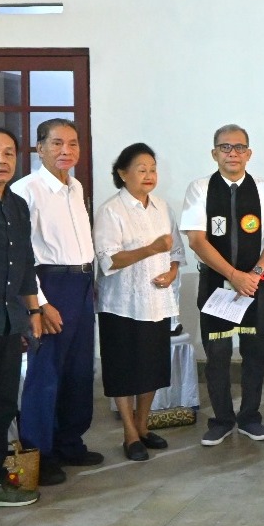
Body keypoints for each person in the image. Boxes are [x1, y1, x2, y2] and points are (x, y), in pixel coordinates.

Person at [11, 117, 103, 485]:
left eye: (73, 144)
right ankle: (39, 452)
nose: (67, 151)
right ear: (39, 148)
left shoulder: (75, 186)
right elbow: (22, 256)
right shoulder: (26, 190)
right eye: (57, 144)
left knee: (79, 369)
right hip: (50, 284)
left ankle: (69, 441)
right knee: (45, 372)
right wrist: (42, 303)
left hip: (80, 282)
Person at [181, 124, 264, 446]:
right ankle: (222, 419)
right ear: (214, 153)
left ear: (249, 154)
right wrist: (232, 275)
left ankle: (250, 417)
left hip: (254, 284)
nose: (233, 154)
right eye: (225, 148)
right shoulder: (199, 189)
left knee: (256, 353)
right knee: (218, 352)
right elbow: (197, 240)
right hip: (216, 284)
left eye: (239, 147)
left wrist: (253, 273)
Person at [93, 143, 184, 461]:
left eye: (152, 169)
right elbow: (109, 260)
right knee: (123, 369)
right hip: (121, 304)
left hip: (156, 303)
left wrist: (172, 272)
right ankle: (129, 433)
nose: (149, 175)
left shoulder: (162, 207)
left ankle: (144, 426)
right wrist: (151, 248)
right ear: (122, 173)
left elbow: (175, 252)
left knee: (152, 368)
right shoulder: (111, 210)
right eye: (141, 169)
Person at [0, 127, 41, 509]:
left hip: (5, 323)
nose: (1, 160)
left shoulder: (16, 204)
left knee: (1, 406)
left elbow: (25, 264)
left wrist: (32, 310)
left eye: (8, 153)